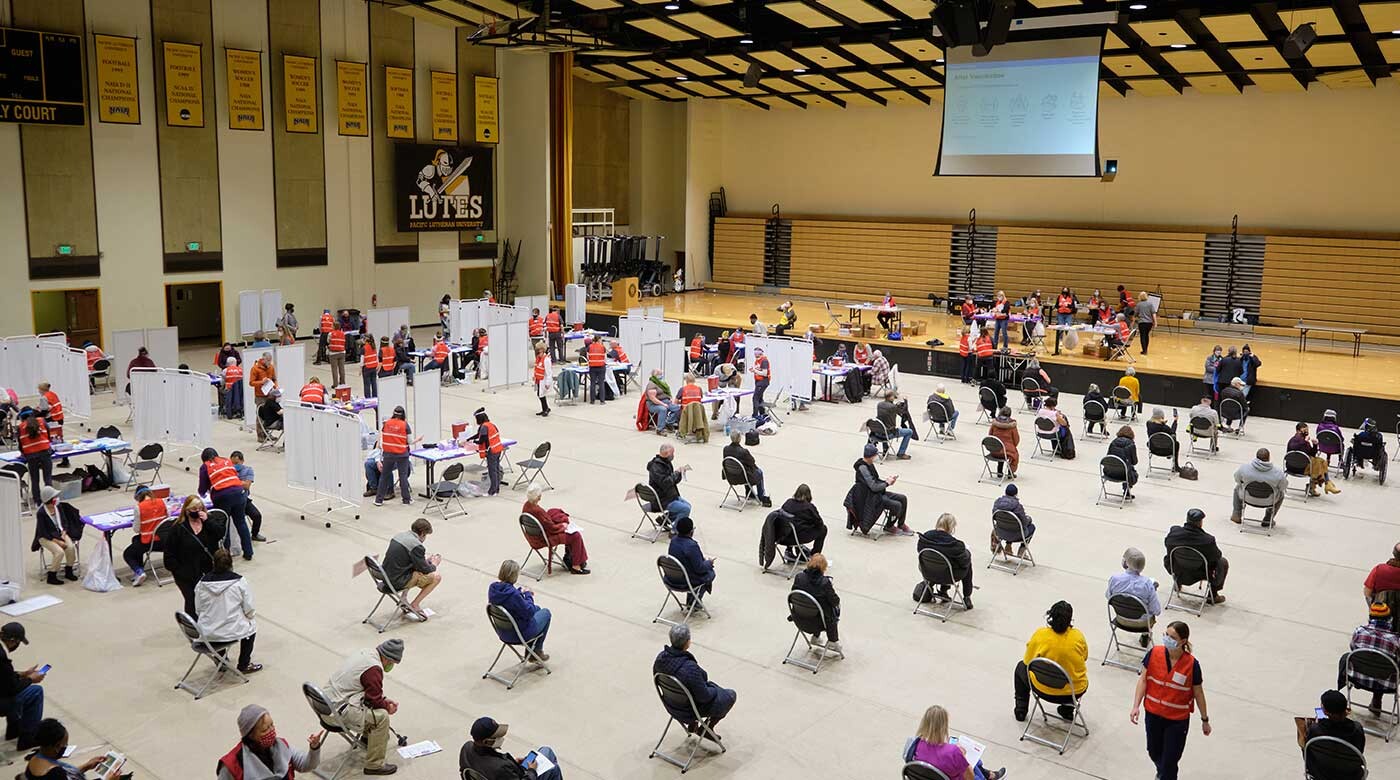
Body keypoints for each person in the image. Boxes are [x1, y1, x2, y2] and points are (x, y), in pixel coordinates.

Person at [1129, 620, 1210, 780]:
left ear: (1183, 641)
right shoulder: (1154, 654)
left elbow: (1198, 693)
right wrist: (1136, 706)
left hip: (1176, 721)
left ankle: (1165, 775)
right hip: (1153, 715)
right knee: (1153, 751)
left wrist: (1204, 719)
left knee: (1170, 761)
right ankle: (1163, 773)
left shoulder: (1192, 665)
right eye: (1166, 634)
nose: (1167, 639)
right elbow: (1143, 680)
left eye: (1172, 637)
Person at [324, 639, 404, 776]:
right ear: (387, 658)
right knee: (382, 717)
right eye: (392, 663)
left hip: (324, 704)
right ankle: (374, 765)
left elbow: (368, 692)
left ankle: (367, 739)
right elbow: (374, 701)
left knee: (372, 709)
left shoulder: (365, 653)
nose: (391, 666)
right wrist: (387, 707)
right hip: (336, 714)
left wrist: (383, 700)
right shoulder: (374, 669)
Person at [652, 624, 737, 734]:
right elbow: (704, 697)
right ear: (687, 642)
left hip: (671, 704)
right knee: (730, 695)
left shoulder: (660, 659)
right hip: (689, 710)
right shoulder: (689, 668)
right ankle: (706, 729)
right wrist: (714, 689)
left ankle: (693, 725)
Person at [1013, 601, 1089, 722]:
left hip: (1042, 688)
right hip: (1073, 691)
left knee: (1020, 667)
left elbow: (1028, 662)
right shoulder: (1078, 637)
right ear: (1070, 619)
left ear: (1051, 616)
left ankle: (1021, 709)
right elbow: (1084, 657)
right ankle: (1067, 710)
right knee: (1071, 672)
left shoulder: (1040, 635)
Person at [195, 549, 262, 674]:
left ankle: (221, 660)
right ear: (231, 564)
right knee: (251, 628)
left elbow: (198, 609)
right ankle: (244, 664)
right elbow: (249, 608)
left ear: (213, 563)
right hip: (232, 631)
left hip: (208, 632)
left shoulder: (201, 584)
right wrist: (248, 617)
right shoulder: (239, 582)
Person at [219, 703, 324, 780]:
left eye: (272, 725)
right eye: (265, 730)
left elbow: (307, 765)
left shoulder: (282, 746)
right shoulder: (232, 764)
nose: (271, 731)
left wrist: (314, 748)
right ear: (250, 735)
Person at [903, 705, 1006, 780]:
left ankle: (989, 775)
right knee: (972, 764)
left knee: (973, 764)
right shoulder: (953, 751)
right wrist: (963, 756)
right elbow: (970, 778)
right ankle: (989, 776)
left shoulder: (914, 744)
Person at [164, 496, 225, 617]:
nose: (197, 511)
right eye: (194, 509)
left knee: (212, 599)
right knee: (192, 600)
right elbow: (169, 556)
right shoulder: (178, 528)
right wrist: (180, 571)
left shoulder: (209, 522)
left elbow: (220, 534)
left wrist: (208, 521)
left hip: (208, 570)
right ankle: (193, 626)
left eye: (200, 508)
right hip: (186, 572)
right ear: (187, 510)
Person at [1337, 602, 1400, 716]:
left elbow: (1353, 649)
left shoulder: (1359, 631)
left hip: (1357, 677)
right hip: (1385, 683)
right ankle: (1377, 698)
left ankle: (1342, 689)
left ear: (1370, 617)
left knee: (1346, 657)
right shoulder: (1395, 640)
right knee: (1389, 666)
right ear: (1389, 619)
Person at [459, 716, 563, 780]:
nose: (501, 737)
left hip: (505, 774)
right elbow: (500, 770)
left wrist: (513, 764)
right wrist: (531, 771)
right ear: (487, 742)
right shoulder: (500, 768)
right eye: (497, 736)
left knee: (546, 751)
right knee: (553, 768)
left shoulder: (466, 748)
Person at [22, 718, 126, 780]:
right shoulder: (55, 774)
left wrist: (86, 766)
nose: (66, 747)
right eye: (65, 744)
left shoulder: (35, 759)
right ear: (57, 747)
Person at [489, 560, 551, 661]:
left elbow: (509, 601)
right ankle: (536, 651)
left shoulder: (493, 589)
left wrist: (519, 592)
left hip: (503, 632)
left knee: (538, 609)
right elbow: (529, 612)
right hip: (518, 634)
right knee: (546, 613)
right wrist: (528, 595)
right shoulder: (513, 595)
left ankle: (532, 652)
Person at [1163, 509, 1228, 604]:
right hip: (1200, 573)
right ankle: (1212, 595)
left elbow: (1167, 546)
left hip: (1178, 570)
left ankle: (1177, 583)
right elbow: (1217, 556)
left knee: (1170, 556)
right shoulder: (1207, 540)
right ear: (1200, 523)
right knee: (1222, 562)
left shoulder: (1173, 534)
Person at [846, 443, 912, 536]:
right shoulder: (863, 468)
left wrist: (887, 481)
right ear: (870, 456)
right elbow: (873, 486)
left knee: (902, 498)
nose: (876, 457)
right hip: (870, 497)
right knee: (896, 505)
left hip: (877, 493)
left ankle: (901, 524)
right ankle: (889, 526)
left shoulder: (869, 464)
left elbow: (876, 480)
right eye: (875, 455)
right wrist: (886, 483)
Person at [382, 518, 442, 619]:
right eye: (426, 535)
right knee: (436, 577)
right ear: (422, 533)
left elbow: (407, 561)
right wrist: (434, 564)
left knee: (416, 569)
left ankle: (404, 598)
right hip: (397, 582)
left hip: (385, 576)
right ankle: (415, 604)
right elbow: (425, 570)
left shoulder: (399, 536)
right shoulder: (416, 545)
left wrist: (425, 562)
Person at [200, 447, 253, 560]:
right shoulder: (226, 460)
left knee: (224, 525)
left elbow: (202, 487)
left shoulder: (205, 466)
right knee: (241, 523)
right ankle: (248, 552)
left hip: (222, 497)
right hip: (239, 493)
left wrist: (202, 494)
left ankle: (226, 555)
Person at [522, 487, 590, 575]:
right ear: (537, 497)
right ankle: (576, 566)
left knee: (555, 515)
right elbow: (552, 528)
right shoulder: (537, 511)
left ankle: (570, 558)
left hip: (534, 536)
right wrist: (562, 526)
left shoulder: (526, 506)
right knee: (575, 535)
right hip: (545, 538)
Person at [1299, 690, 1366, 779]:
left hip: (1320, 773)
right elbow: (1359, 753)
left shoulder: (1315, 729)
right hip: (1349, 775)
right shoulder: (1356, 729)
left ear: (1325, 712)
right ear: (1345, 709)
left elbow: (1307, 752)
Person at [1, 622, 44, 751]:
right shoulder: (1, 657)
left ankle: (14, 729)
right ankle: (27, 738)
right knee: (35, 691)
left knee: (21, 687)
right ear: (12, 640)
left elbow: (3, 677)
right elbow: (11, 688)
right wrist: (31, 679)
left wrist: (22, 674)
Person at [918, 513, 974, 611]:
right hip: (948, 576)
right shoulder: (955, 545)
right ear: (951, 527)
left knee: (942, 562)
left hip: (928, 572)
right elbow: (963, 563)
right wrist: (967, 552)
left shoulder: (924, 538)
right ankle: (967, 597)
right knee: (967, 563)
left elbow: (920, 552)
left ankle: (942, 590)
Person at [1107, 547, 1162, 647]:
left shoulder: (1114, 579)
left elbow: (1109, 598)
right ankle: (1145, 635)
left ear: (1126, 562)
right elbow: (1156, 610)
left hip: (1121, 619)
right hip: (1143, 624)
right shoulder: (1147, 584)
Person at [30, 486, 81, 586]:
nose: (57, 498)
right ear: (50, 499)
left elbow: (65, 522)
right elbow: (43, 531)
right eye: (55, 497)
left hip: (59, 533)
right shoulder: (41, 513)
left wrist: (64, 532)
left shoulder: (58, 507)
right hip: (46, 537)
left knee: (70, 548)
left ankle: (69, 570)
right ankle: (52, 575)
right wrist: (58, 542)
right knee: (59, 552)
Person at [791, 553, 840, 652]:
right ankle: (832, 641)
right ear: (824, 568)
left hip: (799, 618)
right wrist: (830, 587)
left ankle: (816, 637)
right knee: (833, 609)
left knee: (813, 605)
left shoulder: (799, 577)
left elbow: (793, 595)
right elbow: (835, 601)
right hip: (819, 623)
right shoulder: (824, 583)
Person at [122, 486, 168, 586]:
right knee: (135, 540)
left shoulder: (139, 507)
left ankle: (139, 571)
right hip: (165, 540)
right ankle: (140, 570)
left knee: (128, 553)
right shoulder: (162, 502)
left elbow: (136, 529)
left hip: (150, 542)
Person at [666, 517, 715, 603]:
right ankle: (694, 601)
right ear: (691, 531)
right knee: (710, 573)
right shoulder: (691, 546)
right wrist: (709, 563)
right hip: (686, 581)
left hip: (671, 578)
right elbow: (700, 569)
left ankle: (692, 598)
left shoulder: (673, 541)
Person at [376, 406, 419, 506]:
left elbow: (383, 438)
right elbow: (410, 441)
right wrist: (418, 440)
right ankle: (406, 499)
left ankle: (378, 500)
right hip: (402, 454)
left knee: (384, 476)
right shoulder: (405, 425)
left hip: (388, 453)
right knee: (403, 476)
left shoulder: (386, 423)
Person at [1289, 422, 1339, 496]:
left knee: (1320, 462)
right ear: (1298, 431)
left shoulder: (1304, 441)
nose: (1306, 432)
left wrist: (1315, 445)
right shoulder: (1294, 440)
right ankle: (1323, 484)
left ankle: (1325, 484)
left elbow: (1312, 454)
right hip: (1295, 467)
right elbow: (1293, 447)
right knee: (1319, 464)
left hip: (1303, 466)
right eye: (1304, 430)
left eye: (1307, 430)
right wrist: (1304, 442)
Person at [16, 411, 54, 509]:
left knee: (35, 480)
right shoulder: (42, 421)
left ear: (22, 418)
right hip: (45, 452)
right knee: (48, 478)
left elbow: (20, 444)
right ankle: (50, 501)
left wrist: (23, 454)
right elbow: (49, 436)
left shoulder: (21, 427)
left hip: (31, 456)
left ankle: (38, 502)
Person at [779, 484, 828, 558]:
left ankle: (790, 550)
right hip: (797, 538)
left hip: (782, 537)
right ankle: (815, 554)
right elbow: (819, 523)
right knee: (823, 529)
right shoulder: (809, 507)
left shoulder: (788, 502)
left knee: (794, 525)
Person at [722, 432, 771, 506]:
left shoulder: (725, 449)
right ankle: (761, 496)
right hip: (743, 477)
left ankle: (750, 494)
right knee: (758, 472)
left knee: (744, 469)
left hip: (730, 476)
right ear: (739, 439)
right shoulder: (743, 452)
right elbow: (752, 461)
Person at [647, 444, 692, 523]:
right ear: (667, 453)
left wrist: (679, 474)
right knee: (685, 509)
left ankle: (665, 520)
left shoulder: (666, 463)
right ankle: (675, 530)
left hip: (670, 495)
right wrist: (676, 473)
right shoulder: (656, 467)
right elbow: (666, 483)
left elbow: (673, 481)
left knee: (688, 505)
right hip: (662, 499)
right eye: (672, 453)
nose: (673, 455)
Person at [229, 450, 265, 543]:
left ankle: (254, 534)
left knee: (257, 516)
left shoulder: (248, 470)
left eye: (236, 463)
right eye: (232, 463)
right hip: (230, 499)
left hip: (243, 499)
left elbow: (247, 485)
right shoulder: (228, 470)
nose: (234, 465)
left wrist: (232, 481)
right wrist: (240, 482)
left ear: (242, 461)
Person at [991, 483, 1035, 557]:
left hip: (1000, 532)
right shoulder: (1018, 507)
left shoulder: (997, 503)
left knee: (1009, 525)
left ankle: (1008, 546)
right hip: (1016, 535)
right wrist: (1029, 519)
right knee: (1032, 527)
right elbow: (1023, 523)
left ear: (1005, 493)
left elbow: (994, 517)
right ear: (1016, 494)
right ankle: (1022, 550)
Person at [470, 407, 505, 496]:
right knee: (496, 469)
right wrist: (469, 439)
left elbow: (481, 440)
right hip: (498, 449)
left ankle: (492, 491)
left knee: (492, 471)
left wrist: (472, 442)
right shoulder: (490, 425)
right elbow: (478, 435)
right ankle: (496, 489)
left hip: (492, 451)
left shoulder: (484, 427)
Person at [875, 389, 915, 459]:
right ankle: (901, 453)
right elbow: (903, 411)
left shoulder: (879, 404)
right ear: (890, 397)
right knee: (909, 432)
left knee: (883, 424)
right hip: (889, 433)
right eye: (893, 396)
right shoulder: (893, 407)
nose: (894, 397)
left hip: (878, 432)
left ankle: (885, 448)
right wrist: (905, 401)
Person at [988, 407, 1020, 479]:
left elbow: (990, 436)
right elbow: (1016, 440)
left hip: (994, 451)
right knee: (1013, 454)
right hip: (1007, 452)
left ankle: (999, 472)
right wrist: (1012, 446)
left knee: (1000, 448)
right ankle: (1010, 472)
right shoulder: (1012, 426)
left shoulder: (994, 424)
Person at [1107, 426, 1139, 497]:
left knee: (1125, 467)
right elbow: (1134, 462)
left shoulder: (1113, 442)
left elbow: (1108, 457)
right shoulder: (1131, 445)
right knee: (1131, 471)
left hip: (1109, 472)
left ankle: (1126, 491)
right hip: (1124, 475)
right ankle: (1126, 491)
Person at [1147, 407, 1181, 472]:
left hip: (1153, 448)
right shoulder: (1165, 428)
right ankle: (1175, 465)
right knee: (1176, 442)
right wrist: (1175, 421)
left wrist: (1162, 423)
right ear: (1161, 417)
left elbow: (1156, 427)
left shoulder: (1148, 424)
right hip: (1166, 450)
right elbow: (1172, 431)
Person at [532, 342, 552, 417]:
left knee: (541, 394)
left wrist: (548, 383)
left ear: (543, 350)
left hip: (544, 380)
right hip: (539, 380)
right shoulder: (539, 359)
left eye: (539, 351)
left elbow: (549, 373)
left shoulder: (546, 360)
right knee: (540, 394)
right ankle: (545, 408)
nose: (538, 353)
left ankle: (546, 409)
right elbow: (536, 368)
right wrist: (534, 376)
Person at [586, 335, 607, 404]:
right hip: (601, 366)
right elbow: (605, 358)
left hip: (592, 367)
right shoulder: (602, 347)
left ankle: (592, 400)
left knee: (592, 383)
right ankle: (602, 400)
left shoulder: (589, 347)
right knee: (601, 383)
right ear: (599, 340)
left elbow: (588, 357)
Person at [750, 346, 770, 419]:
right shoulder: (757, 361)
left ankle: (755, 415)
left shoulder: (764, 361)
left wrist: (755, 371)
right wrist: (754, 370)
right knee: (760, 398)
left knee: (755, 398)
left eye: (756, 353)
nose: (755, 354)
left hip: (762, 382)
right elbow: (759, 370)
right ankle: (763, 413)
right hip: (758, 381)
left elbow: (765, 373)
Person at [360, 330, 379, 397]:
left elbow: (362, 361)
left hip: (367, 368)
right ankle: (375, 396)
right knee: (374, 383)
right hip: (374, 367)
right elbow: (376, 357)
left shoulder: (363, 348)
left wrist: (360, 369)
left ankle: (368, 398)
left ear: (365, 339)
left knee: (367, 384)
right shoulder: (374, 347)